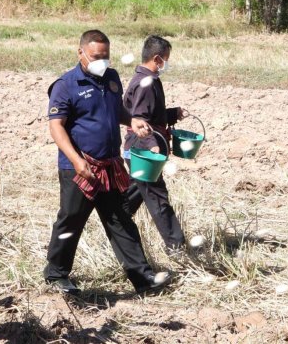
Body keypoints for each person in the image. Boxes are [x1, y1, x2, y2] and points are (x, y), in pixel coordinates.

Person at [44, 30, 171, 295]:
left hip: (109, 166)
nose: (102, 61)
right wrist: (77, 161)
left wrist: (131, 120)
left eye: (106, 56)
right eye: (95, 56)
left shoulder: (112, 78)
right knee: (70, 220)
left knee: (121, 220)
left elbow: (116, 111)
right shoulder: (66, 85)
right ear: (80, 53)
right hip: (81, 168)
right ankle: (56, 274)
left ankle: (143, 277)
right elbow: (56, 127)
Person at [122, 35, 188, 254]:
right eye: (166, 59)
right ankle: (176, 246)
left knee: (136, 193)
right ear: (157, 59)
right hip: (143, 151)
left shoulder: (149, 80)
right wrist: (152, 144)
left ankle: (115, 225)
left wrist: (173, 114)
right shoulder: (145, 84)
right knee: (157, 197)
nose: (167, 63)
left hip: (139, 148)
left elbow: (152, 115)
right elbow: (139, 119)